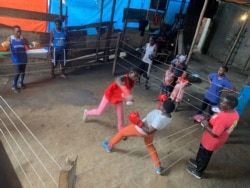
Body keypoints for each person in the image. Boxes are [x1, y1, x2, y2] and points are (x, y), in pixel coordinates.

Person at [102, 99, 175, 175]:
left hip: (142, 130)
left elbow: (149, 131)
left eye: (163, 105)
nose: (162, 105)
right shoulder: (169, 116)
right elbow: (158, 115)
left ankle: (109, 146)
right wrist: (163, 104)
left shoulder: (159, 120)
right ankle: (158, 167)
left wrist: (138, 123)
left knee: (121, 133)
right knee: (149, 145)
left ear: (165, 110)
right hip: (151, 132)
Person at [186, 95, 239, 179]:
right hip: (212, 138)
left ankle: (198, 171)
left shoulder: (224, 118)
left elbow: (215, 134)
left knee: (205, 155)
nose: (220, 103)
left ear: (229, 106)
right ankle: (197, 162)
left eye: (223, 103)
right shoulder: (234, 113)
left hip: (211, 141)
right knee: (202, 151)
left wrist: (205, 124)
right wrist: (209, 119)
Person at [83, 67, 139, 131]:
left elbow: (126, 92)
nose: (136, 78)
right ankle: (87, 113)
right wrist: (126, 92)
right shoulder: (123, 77)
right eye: (135, 75)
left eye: (137, 76)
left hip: (118, 98)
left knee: (120, 114)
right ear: (130, 73)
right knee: (99, 112)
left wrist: (128, 98)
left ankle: (121, 130)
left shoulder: (132, 83)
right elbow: (118, 80)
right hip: (110, 95)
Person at [7, 25, 29, 93]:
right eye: (17, 32)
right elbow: (7, 48)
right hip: (16, 59)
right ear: (13, 32)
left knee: (23, 72)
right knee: (17, 72)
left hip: (23, 58)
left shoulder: (23, 39)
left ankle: (21, 83)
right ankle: (14, 86)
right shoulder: (10, 39)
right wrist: (6, 46)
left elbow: (28, 45)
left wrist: (32, 44)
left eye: (20, 31)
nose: (19, 33)